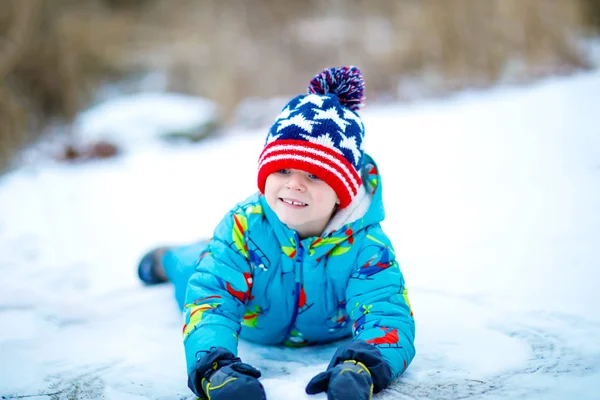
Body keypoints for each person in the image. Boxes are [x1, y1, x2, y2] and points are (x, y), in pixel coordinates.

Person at [137, 66, 416, 400]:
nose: (294, 183)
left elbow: (386, 311)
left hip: (326, 330)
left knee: (208, 256)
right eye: (283, 170)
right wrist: (215, 366)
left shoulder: (367, 246)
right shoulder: (242, 227)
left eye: (314, 175)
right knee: (194, 269)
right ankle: (165, 258)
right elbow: (211, 300)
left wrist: (363, 368)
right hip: (244, 300)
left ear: (342, 191)